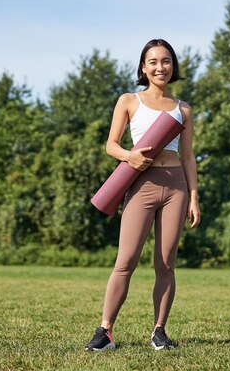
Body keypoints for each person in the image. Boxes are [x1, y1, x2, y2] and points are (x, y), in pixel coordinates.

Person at [85, 39, 201, 351]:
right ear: (143, 67)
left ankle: (159, 331)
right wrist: (128, 156)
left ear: (173, 66)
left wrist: (193, 196)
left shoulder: (183, 110)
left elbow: (188, 156)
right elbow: (110, 144)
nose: (160, 67)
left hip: (175, 186)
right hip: (140, 184)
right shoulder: (129, 101)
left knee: (165, 263)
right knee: (126, 260)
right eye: (153, 62)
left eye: (166, 61)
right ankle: (105, 331)